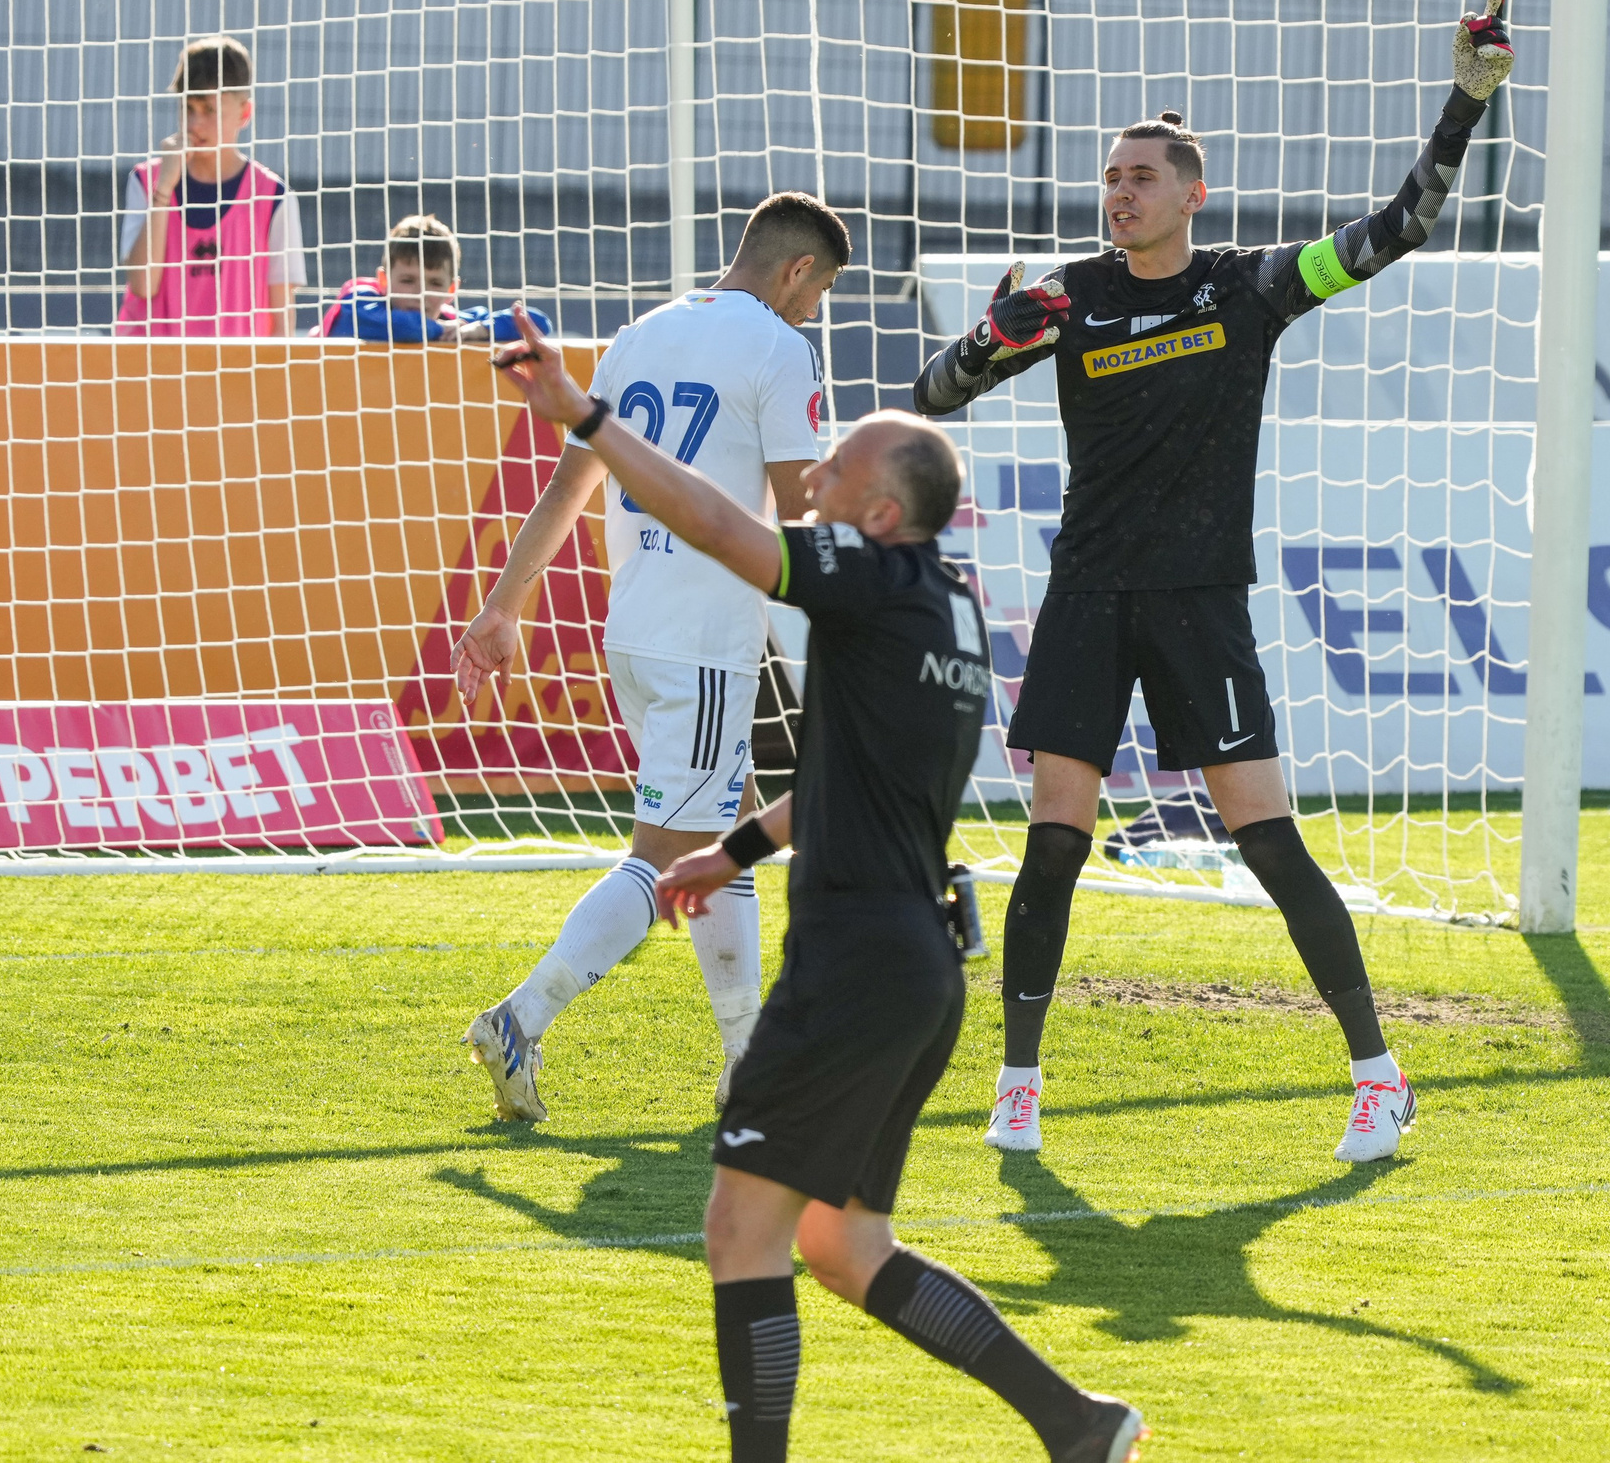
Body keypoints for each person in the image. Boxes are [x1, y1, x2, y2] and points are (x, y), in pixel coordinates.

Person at [491, 311, 1146, 1463]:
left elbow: (714, 526)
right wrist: (733, 853)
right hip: (918, 970)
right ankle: (1076, 1423)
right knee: (845, 1248)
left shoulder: (865, 573)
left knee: (741, 1233)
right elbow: (861, 776)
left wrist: (587, 418)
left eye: (834, 470)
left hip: (852, 964)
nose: (815, 478)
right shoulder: (940, 607)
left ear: (880, 514)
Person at [912, 0, 1517, 1164]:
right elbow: (934, 397)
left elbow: (1398, 229)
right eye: (1110, 176)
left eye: (1142, 176)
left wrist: (1465, 100)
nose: (1119, 191)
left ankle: (1378, 1077)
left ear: (1192, 193)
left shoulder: (1248, 286)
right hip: (1087, 596)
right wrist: (993, 336)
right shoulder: (1067, 298)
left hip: (1199, 603)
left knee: (1270, 843)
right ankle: (1019, 1086)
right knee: (1050, 846)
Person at [452, 193, 838, 1121]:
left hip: (637, 626)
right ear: (795, 272)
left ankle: (748, 1058)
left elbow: (569, 481)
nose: (814, 311)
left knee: (730, 830)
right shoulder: (783, 350)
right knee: (669, 853)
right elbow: (801, 513)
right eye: (818, 292)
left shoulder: (639, 335)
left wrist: (504, 604)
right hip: (706, 637)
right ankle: (521, 1016)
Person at [117, 35, 306, 336]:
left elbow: (281, 316)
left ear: (245, 113)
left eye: (208, 110)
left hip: (236, 376)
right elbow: (143, 284)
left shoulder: (273, 198)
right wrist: (165, 188)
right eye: (187, 108)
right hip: (154, 373)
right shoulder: (147, 181)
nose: (194, 123)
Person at [317, 213, 548, 344]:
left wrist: (481, 329)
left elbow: (539, 323)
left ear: (451, 289)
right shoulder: (358, 303)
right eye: (408, 281)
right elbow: (407, 328)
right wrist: (443, 330)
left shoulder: (453, 320)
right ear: (384, 281)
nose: (421, 294)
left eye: (435, 283)